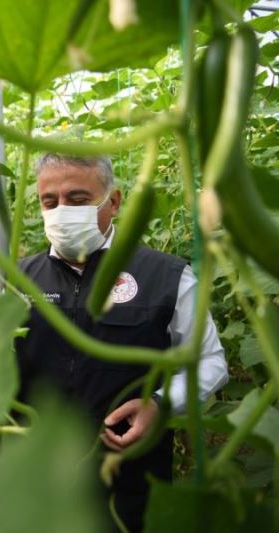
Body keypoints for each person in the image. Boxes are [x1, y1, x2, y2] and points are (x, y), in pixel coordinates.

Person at [15, 153, 229, 532]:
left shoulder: (166, 276)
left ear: (112, 201)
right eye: (50, 202)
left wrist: (159, 404)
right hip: (37, 482)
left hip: (132, 480)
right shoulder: (19, 280)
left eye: (77, 200)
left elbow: (209, 361)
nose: (62, 211)